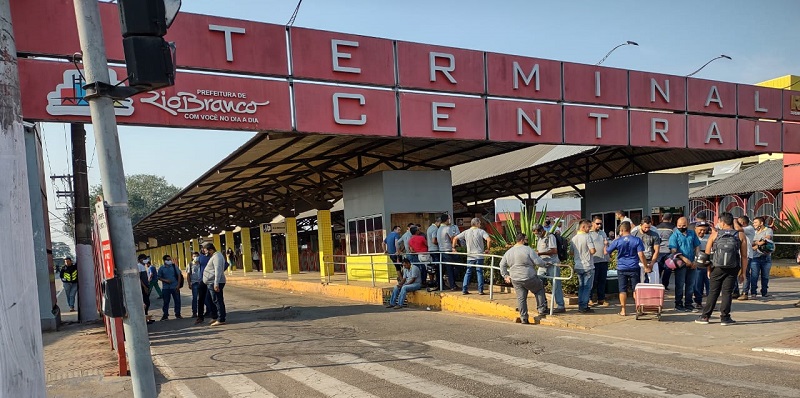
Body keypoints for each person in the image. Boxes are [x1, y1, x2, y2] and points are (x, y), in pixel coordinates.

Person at [696, 212, 747, 325]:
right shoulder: (740, 235)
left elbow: (707, 255)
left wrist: (709, 269)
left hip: (717, 267)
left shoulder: (715, 235)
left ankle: (705, 316)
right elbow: (744, 256)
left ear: (722, 223)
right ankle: (725, 318)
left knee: (713, 292)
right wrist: (743, 273)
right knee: (727, 293)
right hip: (732, 267)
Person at [500, 233, 546, 324]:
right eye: (526, 240)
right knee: (539, 289)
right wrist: (545, 264)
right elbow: (538, 262)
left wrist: (505, 275)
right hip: (529, 277)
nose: (527, 241)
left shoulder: (509, 252)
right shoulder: (528, 249)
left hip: (515, 278)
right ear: (522, 240)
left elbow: (502, 264)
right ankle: (541, 309)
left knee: (521, 298)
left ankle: (524, 317)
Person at [606, 221, 647, 316]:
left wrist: (605, 244)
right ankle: (638, 309)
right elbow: (641, 254)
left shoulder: (618, 241)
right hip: (634, 267)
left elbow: (607, 251)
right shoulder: (637, 240)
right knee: (635, 289)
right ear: (630, 229)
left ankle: (623, 310)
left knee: (622, 289)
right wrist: (646, 266)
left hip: (621, 267)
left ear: (621, 230)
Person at [668, 217, 701, 312]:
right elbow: (673, 250)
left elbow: (697, 246)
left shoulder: (692, 233)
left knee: (690, 285)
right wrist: (684, 259)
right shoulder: (674, 236)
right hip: (681, 264)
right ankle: (678, 304)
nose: (681, 227)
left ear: (687, 225)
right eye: (679, 226)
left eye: (684, 225)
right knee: (680, 284)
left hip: (692, 262)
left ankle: (688, 304)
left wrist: (696, 259)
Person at [453, 218, 492, 295]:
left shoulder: (466, 232)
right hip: (479, 255)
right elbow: (489, 240)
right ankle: (480, 290)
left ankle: (464, 289)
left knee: (468, 272)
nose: (480, 225)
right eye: (479, 223)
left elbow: (455, 238)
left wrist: (453, 248)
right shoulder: (481, 231)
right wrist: (488, 249)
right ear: (477, 224)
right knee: (479, 272)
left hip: (470, 256)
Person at [534, 224, 565, 314]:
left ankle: (560, 305)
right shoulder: (539, 239)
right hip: (542, 264)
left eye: (537, 233)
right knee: (539, 284)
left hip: (552, 264)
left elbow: (554, 250)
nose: (537, 235)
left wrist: (540, 253)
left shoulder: (550, 237)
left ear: (541, 230)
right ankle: (543, 305)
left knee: (556, 285)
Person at [197, 243, 227, 326]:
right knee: (211, 300)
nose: (205, 253)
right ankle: (215, 317)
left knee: (217, 300)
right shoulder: (214, 256)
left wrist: (216, 283)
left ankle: (221, 319)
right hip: (210, 282)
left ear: (211, 250)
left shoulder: (217, 257)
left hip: (214, 282)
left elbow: (218, 270)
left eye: (206, 251)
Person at [570, 219, 597, 313]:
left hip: (578, 265)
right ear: (583, 227)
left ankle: (580, 305)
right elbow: (592, 251)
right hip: (588, 265)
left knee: (581, 286)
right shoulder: (587, 237)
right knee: (587, 287)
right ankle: (584, 306)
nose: (590, 228)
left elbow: (571, 252)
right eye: (588, 227)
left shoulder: (574, 238)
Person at [631, 216, 661, 285]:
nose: (647, 229)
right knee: (639, 284)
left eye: (649, 227)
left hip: (652, 261)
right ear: (640, 225)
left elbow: (656, 250)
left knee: (654, 283)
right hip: (639, 262)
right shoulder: (634, 234)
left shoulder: (655, 235)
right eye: (645, 227)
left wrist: (652, 264)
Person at [750, 216, 774, 298]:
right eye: (753, 223)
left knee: (765, 276)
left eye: (755, 222)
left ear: (761, 223)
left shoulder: (768, 230)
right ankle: (753, 292)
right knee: (754, 276)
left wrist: (757, 243)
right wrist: (759, 243)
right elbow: (751, 243)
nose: (754, 224)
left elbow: (767, 239)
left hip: (766, 257)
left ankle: (764, 292)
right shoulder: (753, 232)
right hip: (755, 257)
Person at [589, 216, 610, 307]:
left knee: (602, 281)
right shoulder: (589, 233)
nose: (599, 225)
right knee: (593, 281)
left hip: (603, 260)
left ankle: (601, 299)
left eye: (600, 224)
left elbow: (606, 245)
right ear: (593, 223)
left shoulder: (603, 233)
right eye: (597, 223)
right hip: (594, 261)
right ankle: (589, 299)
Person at [735, 215, 755, 300]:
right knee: (734, 273)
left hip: (747, 255)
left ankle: (745, 293)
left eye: (738, 221)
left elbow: (738, 228)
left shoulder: (749, 228)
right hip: (738, 254)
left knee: (745, 273)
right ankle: (735, 292)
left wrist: (734, 221)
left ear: (743, 222)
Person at [437, 214, 459, 291]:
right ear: (447, 219)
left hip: (442, 251)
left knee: (448, 268)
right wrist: (454, 246)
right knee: (455, 267)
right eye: (449, 218)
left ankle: (452, 284)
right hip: (448, 250)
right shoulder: (447, 228)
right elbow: (452, 238)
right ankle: (452, 284)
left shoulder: (439, 229)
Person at [157, 255, 183, 321]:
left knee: (177, 301)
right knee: (166, 302)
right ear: (164, 261)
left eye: (170, 259)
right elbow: (159, 277)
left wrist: (178, 285)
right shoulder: (161, 268)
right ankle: (165, 315)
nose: (169, 261)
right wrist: (165, 280)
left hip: (175, 286)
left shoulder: (174, 266)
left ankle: (178, 314)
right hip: (166, 288)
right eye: (168, 260)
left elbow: (179, 275)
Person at [692, 222, 711, 310]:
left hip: (708, 263)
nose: (702, 232)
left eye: (704, 230)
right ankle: (698, 302)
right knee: (697, 284)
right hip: (697, 263)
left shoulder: (709, 238)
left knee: (710, 284)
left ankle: (711, 303)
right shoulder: (692, 238)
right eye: (700, 230)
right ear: (695, 229)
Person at [656, 213, 677, 290]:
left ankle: (657, 284)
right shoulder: (673, 228)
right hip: (669, 250)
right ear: (670, 219)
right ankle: (665, 285)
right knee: (668, 268)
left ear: (662, 218)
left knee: (658, 268)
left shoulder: (657, 227)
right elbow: (676, 238)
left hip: (658, 251)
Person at [137, 254, 155, 324]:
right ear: (141, 260)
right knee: (145, 303)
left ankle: (146, 318)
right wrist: (144, 287)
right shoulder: (139, 266)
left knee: (147, 303)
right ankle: (145, 319)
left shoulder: (143, 266)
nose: (146, 260)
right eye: (145, 259)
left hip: (146, 286)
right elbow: (139, 278)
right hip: (143, 287)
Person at [426, 218, 441, 290]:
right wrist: (440, 242)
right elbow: (434, 240)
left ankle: (436, 282)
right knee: (438, 267)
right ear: (439, 222)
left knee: (434, 267)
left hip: (431, 249)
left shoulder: (429, 228)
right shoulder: (435, 229)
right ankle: (439, 282)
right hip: (435, 249)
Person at [186, 252, 202, 318]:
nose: (196, 257)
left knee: (203, 298)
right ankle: (194, 312)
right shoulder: (190, 264)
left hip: (201, 283)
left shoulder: (201, 263)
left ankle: (207, 311)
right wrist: (189, 283)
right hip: (194, 283)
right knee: (195, 298)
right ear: (192, 257)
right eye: (194, 256)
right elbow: (188, 275)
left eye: (197, 256)